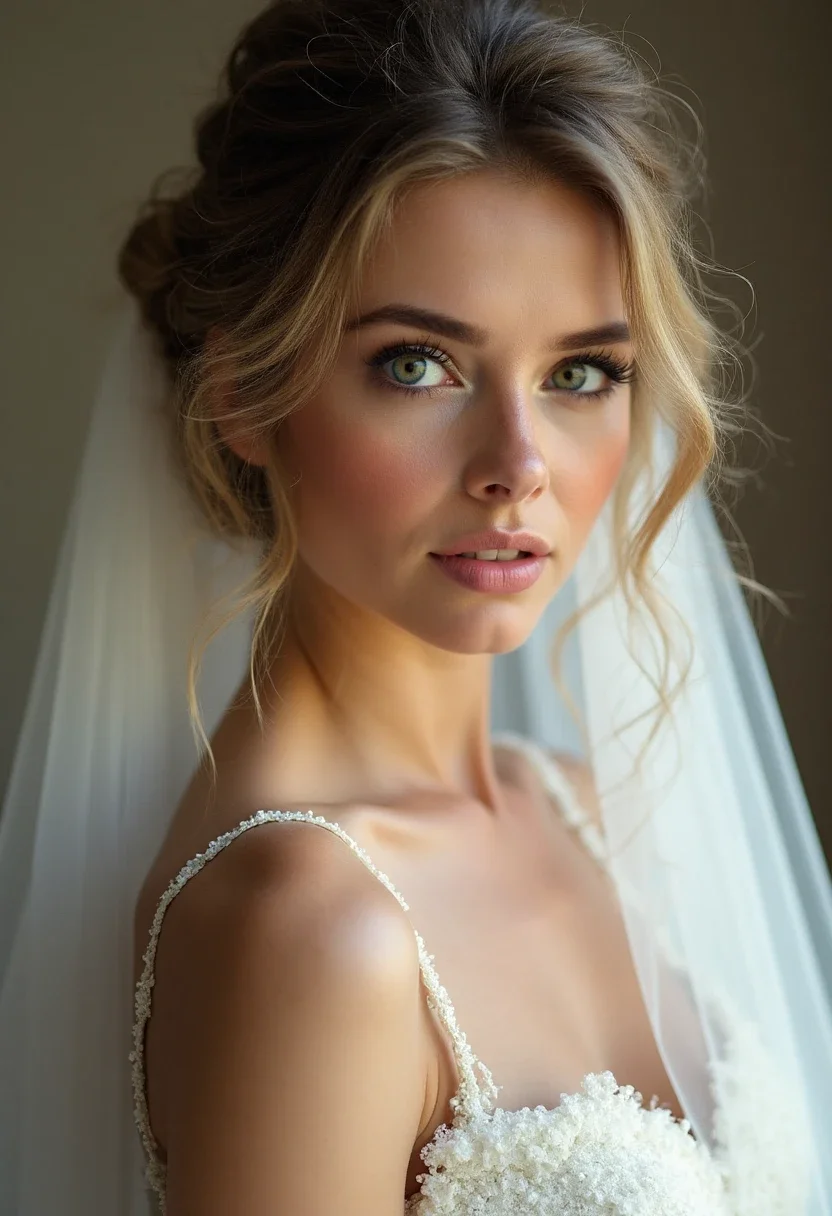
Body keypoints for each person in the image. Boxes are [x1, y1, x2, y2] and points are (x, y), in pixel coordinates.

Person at [2, 0, 831, 1212]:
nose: (518, 465)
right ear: (244, 396)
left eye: (580, 372)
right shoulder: (305, 927)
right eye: (418, 364)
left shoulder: (591, 810)